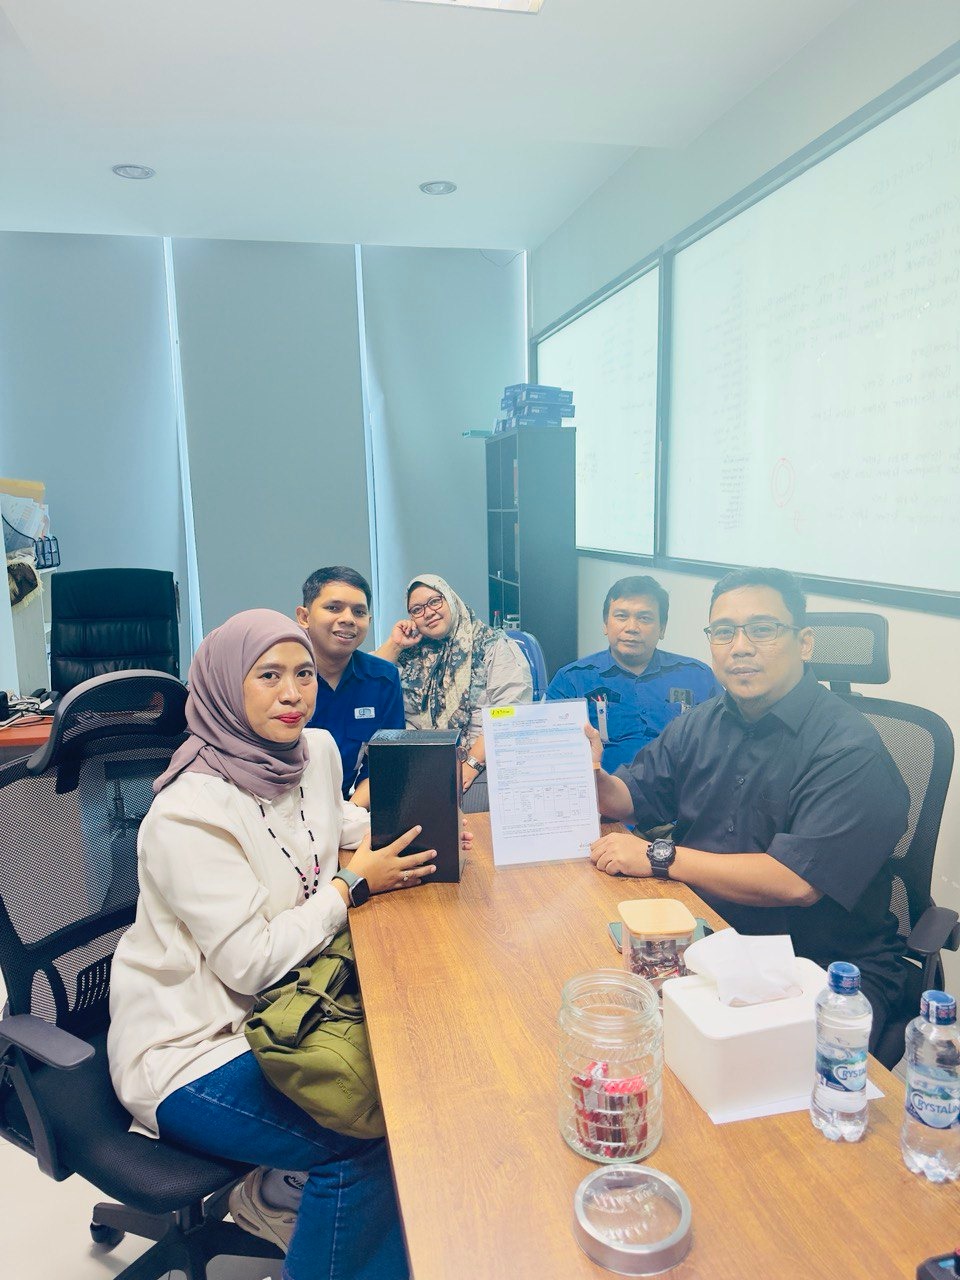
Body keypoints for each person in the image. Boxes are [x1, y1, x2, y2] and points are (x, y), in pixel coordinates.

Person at [107, 609, 439, 1280]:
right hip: (194, 1047)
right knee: (365, 1140)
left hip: (292, 1008)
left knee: (418, 1072)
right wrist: (349, 886)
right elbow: (250, 962)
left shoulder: (313, 751)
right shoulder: (188, 812)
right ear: (226, 686)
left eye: (304, 675)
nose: (293, 694)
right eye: (268, 676)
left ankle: (287, 1196)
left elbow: (336, 822)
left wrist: (417, 826)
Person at [588, 567, 909, 1050]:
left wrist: (658, 856)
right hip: (710, 939)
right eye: (723, 632)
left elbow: (794, 882)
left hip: (820, 968)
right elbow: (628, 798)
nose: (739, 647)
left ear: (804, 643)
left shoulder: (849, 748)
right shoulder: (700, 723)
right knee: (605, 1024)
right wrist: (591, 773)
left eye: (762, 629)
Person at [374, 574, 532, 801]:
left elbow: (509, 711)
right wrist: (395, 645)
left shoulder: (491, 644)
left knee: (464, 807)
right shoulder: (410, 654)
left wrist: (472, 764)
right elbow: (367, 686)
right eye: (417, 609)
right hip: (421, 765)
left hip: (484, 762)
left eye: (435, 601)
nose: (428, 612)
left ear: (450, 599)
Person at [546, 574, 720, 771]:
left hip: (681, 788)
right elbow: (550, 755)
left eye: (644, 618)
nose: (632, 628)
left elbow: (724, 744)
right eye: (621, 616)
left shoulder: (698, 677)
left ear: (662, 628)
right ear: (605, 624)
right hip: (602, 787)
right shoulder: (571, 681)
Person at [296, 565, 405, 808]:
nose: (348, 619)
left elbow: (385, 764)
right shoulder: (278, 678)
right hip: (279, 809)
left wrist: (348, 816)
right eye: (333, 608)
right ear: (304, 617)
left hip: (350, 809)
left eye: (359, 612)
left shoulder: (383, 679)